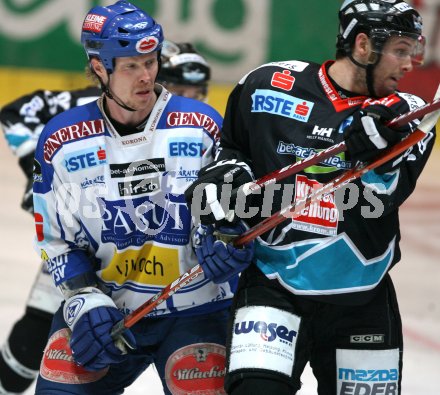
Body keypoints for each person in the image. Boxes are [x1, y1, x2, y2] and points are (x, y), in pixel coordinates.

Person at [185, 0, 436, 394]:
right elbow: (231, 151)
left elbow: (381, 197)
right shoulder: (265, 85)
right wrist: (221, 193)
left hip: (362, 299)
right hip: (272, 286)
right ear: (363, 46)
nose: (410, 64)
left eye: (413, 50)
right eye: (400, 51)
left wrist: (369, 156)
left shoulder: (409, 120)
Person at [31, 1, 254, 394]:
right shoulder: (61, 141)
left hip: (197, 308)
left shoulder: (201, 127)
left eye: (149, 61)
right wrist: (84, 299)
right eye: (131, 65)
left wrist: (224, 240)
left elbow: (228, 213)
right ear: (100, 67)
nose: (145, 76)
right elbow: (54, 239)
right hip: (107, 311)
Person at [0, 37, 213, 394]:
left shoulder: (195, 127)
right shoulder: (91, 107)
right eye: (180, 87)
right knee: (33, 335)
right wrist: (32, 171)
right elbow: (16, 111)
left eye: (199, 91)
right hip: (90, 248)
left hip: (168, 275)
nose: (188, 99)